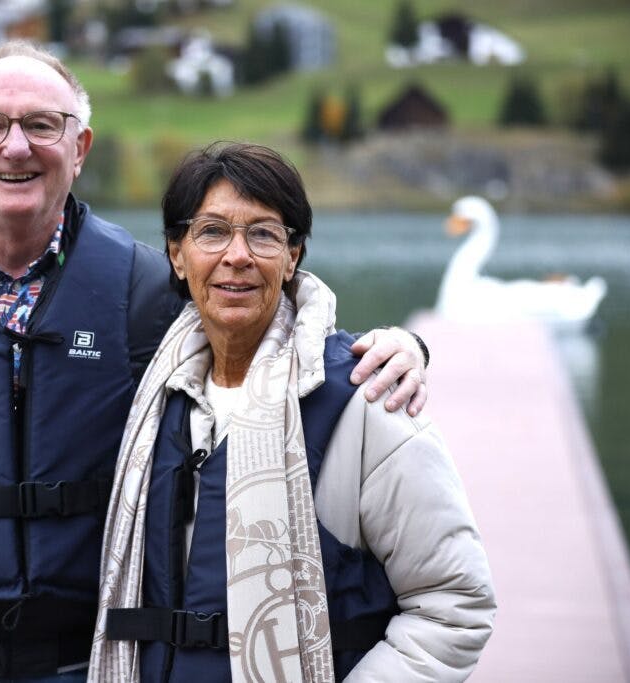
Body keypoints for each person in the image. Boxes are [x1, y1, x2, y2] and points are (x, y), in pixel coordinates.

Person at [0, 42, 431, 682]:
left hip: (84, 662)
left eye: (42, 125)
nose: (17, 146)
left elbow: (268, 332)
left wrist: (396, 347)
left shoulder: (142, 291)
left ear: (79, 148)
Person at [90, 143, 495, 682]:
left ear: (293, 256)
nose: (238, 255)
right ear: (176, 254)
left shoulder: (366, 400)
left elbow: (455, 605)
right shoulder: (153, 399)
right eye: (212, 231)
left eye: (263, 233)